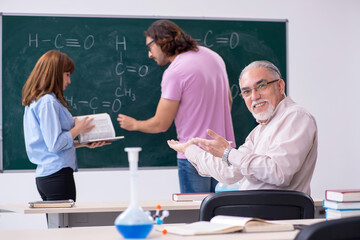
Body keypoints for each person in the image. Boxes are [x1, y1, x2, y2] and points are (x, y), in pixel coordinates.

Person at [117, 20, 235, 193]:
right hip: (224, 153)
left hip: (193, 156)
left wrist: (134, 124)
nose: (149, 54)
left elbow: (161, 124)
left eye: (150, 47)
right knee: (222, 213)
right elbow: (229, 102)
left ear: (162, 41)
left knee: (197, 215)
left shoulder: (175, 72)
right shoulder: (213, 56)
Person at [167, 60, 318, 195]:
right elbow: (228, 172)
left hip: (275, 217)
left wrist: (228, 153)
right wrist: (189, 150)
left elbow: (278, 173)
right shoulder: (259, 131)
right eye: (246, 91)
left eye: (261, 86)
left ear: (280, 86)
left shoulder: (296, 116)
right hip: (254, 211)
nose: (254, 96)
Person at [22, 50, 109, 201]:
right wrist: (78, 129)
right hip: (57, 176)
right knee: (65, 225)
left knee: (60, 224)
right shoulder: (48, 101)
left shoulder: (38, 101)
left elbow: (52, 145)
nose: (69, 81)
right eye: (67, 75)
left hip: (49, 176)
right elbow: (55, 144)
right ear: (55, 74)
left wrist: (83, 143)